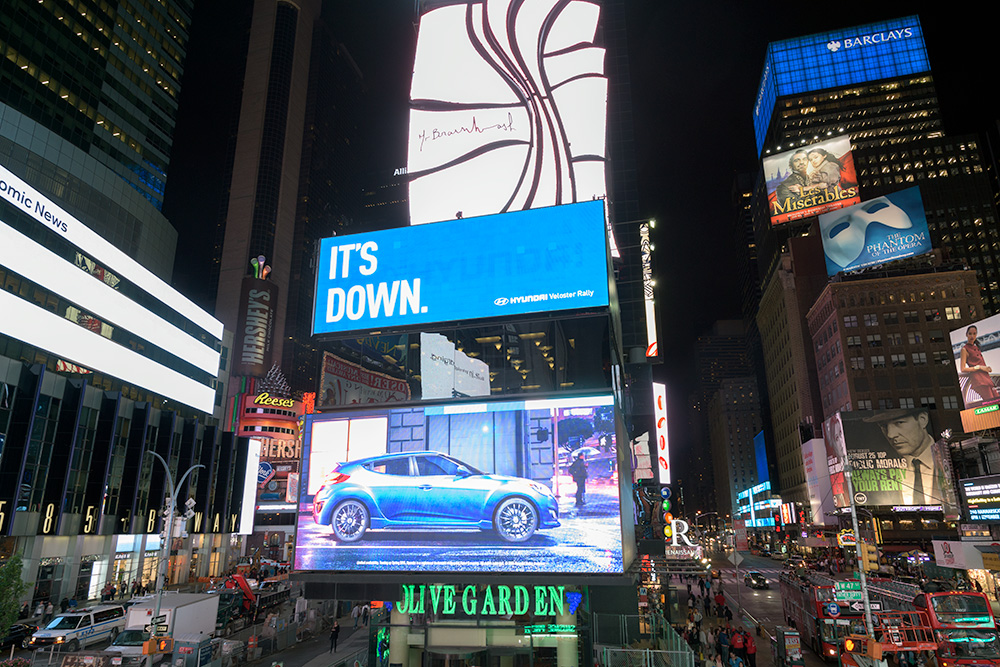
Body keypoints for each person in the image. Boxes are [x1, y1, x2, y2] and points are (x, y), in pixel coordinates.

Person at [864, 408, 942, 506]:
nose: (890, 434)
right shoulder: (880, 472)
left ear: (923, 419)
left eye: (899, 423)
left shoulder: (945, 457)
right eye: (883, 426)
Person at [960, 325, 999, 406]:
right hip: (979, 380)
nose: (972, 336)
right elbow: (963, 369)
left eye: (974, 334)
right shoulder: (964, 349)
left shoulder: (976, 347)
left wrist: (986, 368)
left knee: (997, 400)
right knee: (992, 404)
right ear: (966, 334)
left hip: (986, 379)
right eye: (970, 333)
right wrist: (980, 367)